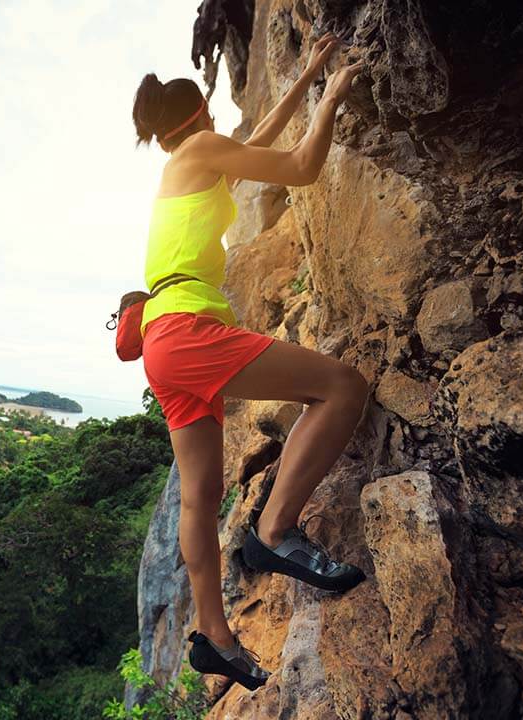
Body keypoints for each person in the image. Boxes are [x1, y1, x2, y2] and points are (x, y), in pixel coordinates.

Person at [131, 32, 369, 691]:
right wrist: (334, 97)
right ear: (202, 117)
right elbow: (296, 165)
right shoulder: (201, 149)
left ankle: (214, 633)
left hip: (159, 345)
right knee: (341, 387)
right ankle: (278, 527)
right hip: (189, 329)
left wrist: (307, 74)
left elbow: (258, 137)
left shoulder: (188, 161)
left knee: (199, 499)